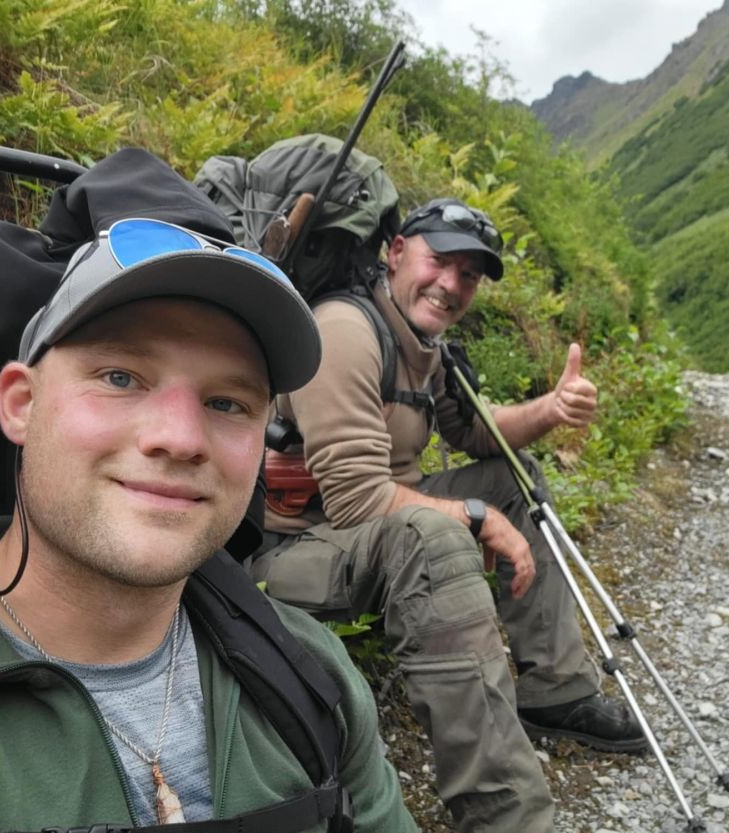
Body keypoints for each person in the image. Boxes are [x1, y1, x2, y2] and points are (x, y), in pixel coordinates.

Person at [0, 219, 418, 833]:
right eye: (120, 378)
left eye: (226, 404)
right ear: (21, 404)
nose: (182, 438)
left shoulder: (313, 675)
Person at [253, 198, 645, 833]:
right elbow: (355, 499)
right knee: (437, 533)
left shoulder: (423, 341)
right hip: (288, 550)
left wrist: (551, 409)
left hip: (373, 529)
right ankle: (506, 818)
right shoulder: (348, 332)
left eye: (469, 275)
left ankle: (556, 691)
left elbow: (477, 434)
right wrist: (472, 515)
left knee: (508, 480)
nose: (452, 285)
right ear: (397, 251)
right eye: (440, 261)